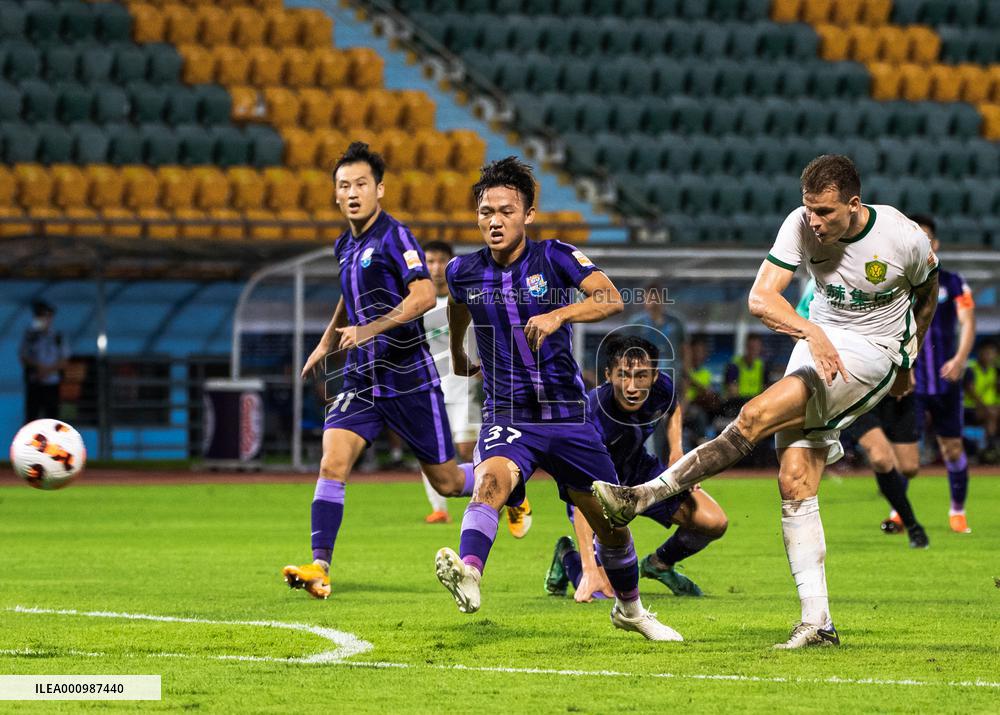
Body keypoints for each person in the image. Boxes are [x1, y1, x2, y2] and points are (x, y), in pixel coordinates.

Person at [593, 155, 940, 648]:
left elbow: (928, 289)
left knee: (754, 415)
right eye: (809, 210)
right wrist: (811, 332)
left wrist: (910, 357)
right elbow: (761, 298)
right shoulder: (800, 225)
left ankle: (642, 496)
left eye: (825, 212)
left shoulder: (903, 238)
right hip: (817, 337)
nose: (814, 222)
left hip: (872, 351)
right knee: (794, 480)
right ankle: (818, 623)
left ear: (854, 204)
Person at [434, 157, 682, 640]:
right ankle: (469, 572)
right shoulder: (463, 271)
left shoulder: (554, 258)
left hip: (569, 417)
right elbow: (458, 309)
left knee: (613, 522)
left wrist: (559, 315)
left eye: (506, 210)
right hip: (509, 413)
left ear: (528, 213)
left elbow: (610, 298)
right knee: (490, 483)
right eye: (486, 211)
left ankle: (631, 609)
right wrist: (462, 359)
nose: (495, 220)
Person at [282, 142, 528, 600]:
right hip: (362, 379)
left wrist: (370, 329)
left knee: (449, 481)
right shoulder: (344, 245)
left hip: (409, 380)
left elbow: (419, 297)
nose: (352, 192)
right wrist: (326, 341)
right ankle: (320, 565)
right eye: (343, 185)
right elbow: (347, 296)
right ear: (335, 195)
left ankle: (510, 486)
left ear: (379, 189)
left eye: (361, 184)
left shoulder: (395, 237)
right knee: (332, 463)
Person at [545, 336, 728, 602]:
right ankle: (567, 556)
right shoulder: (592, 415)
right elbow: (580, 492)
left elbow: (673, 409)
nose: (632, 387)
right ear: (608, 375)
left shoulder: (662, 387)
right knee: (602, 591)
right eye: (623, 376)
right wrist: (588, 566)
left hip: (642, 473)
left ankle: (659, 564)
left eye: (641, 376)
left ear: (655, 376)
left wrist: (676, 451)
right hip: (597, 490)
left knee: (713, 523)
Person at [798, 273, 929, 547]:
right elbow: (801, 324)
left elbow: (914, 323)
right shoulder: (824, 282)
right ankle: (914, 526)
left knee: (909, 466)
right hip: (856, 383)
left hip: (895, 384)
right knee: (881, 457)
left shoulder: (897, 277)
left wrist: (908, 366)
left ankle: (897, 503)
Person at [905, 214, 977, 534]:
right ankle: (899, 512)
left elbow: (968, 321)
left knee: (952, 448)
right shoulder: (899, 285)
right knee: (905, 450)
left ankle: (957, 511)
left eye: (927, 239)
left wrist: (961, 358)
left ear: (935, 243)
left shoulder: (954, 282)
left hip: (947, 379)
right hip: (911, 380)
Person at [420, 239, 484, 525]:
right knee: (429, 449)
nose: (435, 268)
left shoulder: (465, 298)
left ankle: (490, 496)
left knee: (468, 449)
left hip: (466, 386)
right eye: (429, 262)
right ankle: (439, 508)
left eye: (440, 261)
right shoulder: (418, 302)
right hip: (430, 387)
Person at [20, 300, 69, 421]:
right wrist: (38, 368)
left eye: (46, 316)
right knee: (32, 418)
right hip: (35, 383)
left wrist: (48, 370)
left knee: (52, 419)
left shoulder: (58, 336)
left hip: (52, 384)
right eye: (40, 316)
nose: (44, 319)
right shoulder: (30, 336)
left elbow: (64, 360)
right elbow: (24, 356)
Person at [965, 340, 998, 460]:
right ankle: (990, 448)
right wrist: (984, 406)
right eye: (987, 353)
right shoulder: (971, 368)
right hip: (969, 408)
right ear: (980, 353)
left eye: (993, 353)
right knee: (992, 414)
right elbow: (970, 390)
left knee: (994, 412)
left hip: (989, 407)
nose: (990, 356)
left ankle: (991, 447)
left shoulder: (993, 370)